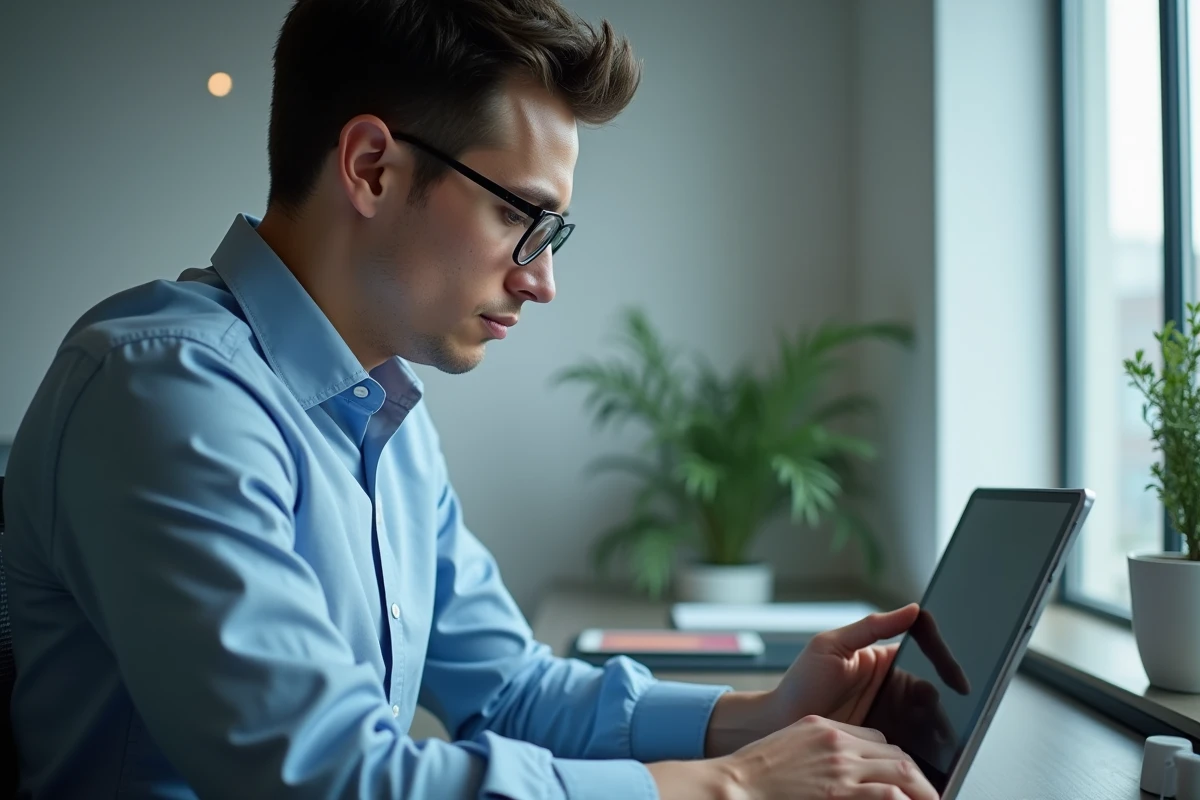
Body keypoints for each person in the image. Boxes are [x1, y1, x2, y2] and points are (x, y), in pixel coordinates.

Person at [2, 1, 946, 798]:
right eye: (517, 216)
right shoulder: (164, 392)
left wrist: (761, 716)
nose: (540, 281)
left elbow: (508, 689)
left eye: (550, 233)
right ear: (372, 167)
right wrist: (730, 784)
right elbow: (330, 777)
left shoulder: (385, 417)